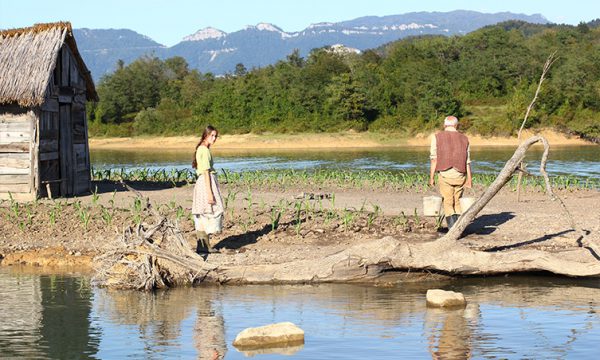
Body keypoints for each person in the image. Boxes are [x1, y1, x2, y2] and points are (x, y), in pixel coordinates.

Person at [429, 116, 472, 230]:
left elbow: (434, 159)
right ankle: (459, 229)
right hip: (460, 175)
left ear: (444, 125)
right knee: (457, 202)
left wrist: (431, 177)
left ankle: (452, 230)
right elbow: (467, 161)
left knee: (448, 202)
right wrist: (469, 180)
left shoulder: (436, 137)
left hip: (445, 174)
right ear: (456, 125)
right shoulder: (465, 138)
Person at [192, 125, 224, 253]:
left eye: (215, 136)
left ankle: (204, 246)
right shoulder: (204, 150)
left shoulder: (202, 149)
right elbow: (205, 172)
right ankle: (204, 246)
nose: (214, 138)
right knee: (208, 211)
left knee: (204, 212)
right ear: (205, 135)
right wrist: (210, 193)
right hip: (206, 183)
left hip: (204, 182)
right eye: (212, 135)